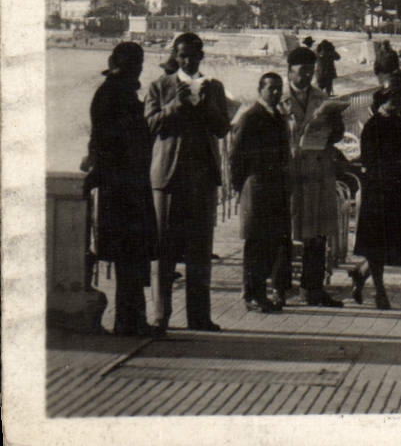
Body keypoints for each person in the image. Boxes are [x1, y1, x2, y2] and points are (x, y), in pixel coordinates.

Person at [145, 32, 231, 334]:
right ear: (175, 56)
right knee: (163, 252)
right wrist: (174, 107)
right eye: (182, 55)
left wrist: (206, 105)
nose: (188, 61)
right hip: (167, 179)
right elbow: (149, 125)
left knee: (199, 250)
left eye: (193, 55)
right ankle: (160, 316)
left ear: (201, 57)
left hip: (202, 180)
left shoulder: (214, 88)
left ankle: (199, 316)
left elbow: (222, 129)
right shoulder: (159, 87)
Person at [87, 41, 158, 335]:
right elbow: (118, 142)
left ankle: (130, 320)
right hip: (124, 188)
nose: (139, 69)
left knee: (130, 256)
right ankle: (130, 321)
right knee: (131, 256)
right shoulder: (118, 96)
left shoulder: (112, 92)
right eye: (136, 64)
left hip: (121, 186)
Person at [350, 80, 401, 308]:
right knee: (377, 244)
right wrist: (398, 164)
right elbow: (369, 160)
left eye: (400, 99)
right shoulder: (373, 126)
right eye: (392, 99)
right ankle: (380, 292)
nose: (396, 103)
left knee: (391, 244)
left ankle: (361, 273)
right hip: (379, 192)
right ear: (382, 101)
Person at [285, 48, 347, 307]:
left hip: (318, 172)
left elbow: (336, 136)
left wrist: (333, 124)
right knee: (287, 231)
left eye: (311, 72)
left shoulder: (321, 98)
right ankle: (283, 285)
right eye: (302, 72)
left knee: (318, 232)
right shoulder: (280, 98)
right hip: (292, 172)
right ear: (290, 71)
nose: (306, 77)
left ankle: (313, 288)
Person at [230, 72, 292, 314]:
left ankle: (261, 292)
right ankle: (252, 294)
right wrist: (240, 188)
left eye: (279, 89)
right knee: (256, 243)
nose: (275, 93)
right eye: (271, 89)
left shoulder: (277, 116)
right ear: (260, 90)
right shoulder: (250, 117)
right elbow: (235, 156)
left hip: (275, 186)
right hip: (256, 186)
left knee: (270, 242)